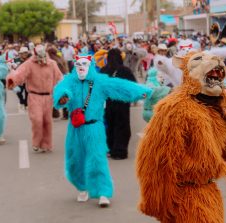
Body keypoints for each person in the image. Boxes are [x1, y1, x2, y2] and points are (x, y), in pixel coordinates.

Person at [137, 52, 226, 223]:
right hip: (185, 195)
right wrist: (159, 203)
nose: (215, 74)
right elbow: (157, 160)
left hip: (209, 191)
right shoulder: (175, 109)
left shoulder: (223, 105)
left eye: (217, 73)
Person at [53, 54, 151, 207]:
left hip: (94, 127)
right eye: (78, 65)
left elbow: (119, 86)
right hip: (75, 129)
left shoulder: (99, 81)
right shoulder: (70, 81)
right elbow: (62, 89)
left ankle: (103, 192)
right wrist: (62, 97)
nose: (81, 68)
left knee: (97, 159)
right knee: (74, 161)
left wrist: (141, 92)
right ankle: (82, 187)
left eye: (84, 65)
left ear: (90, 66)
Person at [7, 44, 63, 152]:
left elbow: (59, 78)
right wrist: (12, 80)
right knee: (37, 120)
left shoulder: (52, 64)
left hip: (48, 96)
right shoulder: (29, 64)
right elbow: (19, 74)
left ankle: (46, 144)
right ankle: (36, 142)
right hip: (34, 96)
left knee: (47, 121)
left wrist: (65, 91)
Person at [99, 48, 140, 160]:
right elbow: (133, 85)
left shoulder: (103, 70)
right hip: (122, 103)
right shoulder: (125, 71)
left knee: (110, 125)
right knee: (122, 126)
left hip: (108, 103)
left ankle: (111, 148)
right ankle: (120, 151)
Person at [47, 46, 69, 119]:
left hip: (56, 79)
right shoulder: (60, 58)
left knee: (53, 96)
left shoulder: (51, 61)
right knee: (63, 96)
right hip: (64, 78)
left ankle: (55, 112)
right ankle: (66, 113)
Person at [14, 47, 31, 112]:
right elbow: (13, 68)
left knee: (27, 92)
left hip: (27, 79)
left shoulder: (29, 60)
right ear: (20, 53)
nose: (25, 54)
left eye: (26, 53)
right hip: (19, 79)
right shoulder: (16, 60)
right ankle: (22, 101)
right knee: (18, 91)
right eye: (23, 53)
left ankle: (26, 104)